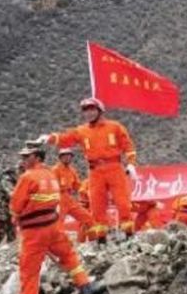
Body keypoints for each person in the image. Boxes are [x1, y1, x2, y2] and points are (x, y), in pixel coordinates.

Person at [9, 144, 104, 294]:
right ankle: (84, 284)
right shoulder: (50, 174)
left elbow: (16, 205)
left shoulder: (27, 177)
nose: (22, 160)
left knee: (29, 272)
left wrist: (16, 217)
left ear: (37, 157)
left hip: (34, 232)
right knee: (68, 255)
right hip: (53, 227)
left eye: (26, 157)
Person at [37, 97, 138, 243]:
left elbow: (128, 146)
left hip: (114, 167)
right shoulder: (81, 131)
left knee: (122, 202)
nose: (89, 113)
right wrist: (50, 138)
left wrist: (131, 164)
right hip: (95, 171)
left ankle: (129, 235)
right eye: (86, 111)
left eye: (92, 109)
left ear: (100, 111)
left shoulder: (115, 127)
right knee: (97, 204)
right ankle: (101, 238)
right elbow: (66, 138)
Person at [51, 148, 95, 238]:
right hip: (59, 199)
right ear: (60, 157)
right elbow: (51, 186)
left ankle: (92, 241)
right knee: (57, 224)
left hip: (69, 198)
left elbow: (77, 185)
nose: (67, 158)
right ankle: (54, 247)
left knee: (88, 218)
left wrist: (87, 190)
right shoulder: (55, 170)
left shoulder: (72, 170)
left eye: (69, 156)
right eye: (65, 156)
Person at [0, 168, 18, 243]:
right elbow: (11, 194)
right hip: (2, 209)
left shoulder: (10, 181)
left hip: (6, 209)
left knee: (10, 230)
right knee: (2, 230)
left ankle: (8, 243)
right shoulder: (6, 181)